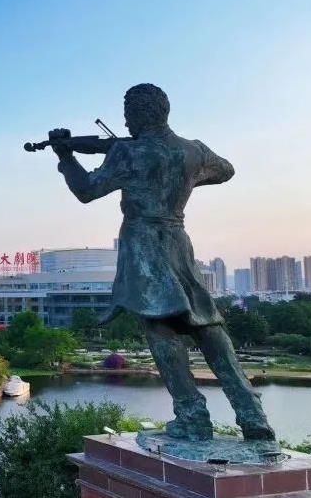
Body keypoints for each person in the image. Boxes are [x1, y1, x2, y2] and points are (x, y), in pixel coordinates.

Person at [51, 83, 274, 442]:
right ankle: (251, 413)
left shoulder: (128, 152)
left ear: (138, 114)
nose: (126, 123)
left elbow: (87, 190)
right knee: (206, 323)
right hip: (178, 240)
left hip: (143, 242)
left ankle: (192, 415)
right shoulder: (193, 150)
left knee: (160, 326)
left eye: (128, 115)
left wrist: (66, 158)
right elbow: (226, 170)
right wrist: (184, 175)